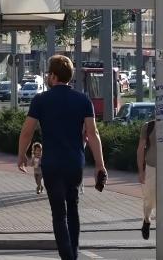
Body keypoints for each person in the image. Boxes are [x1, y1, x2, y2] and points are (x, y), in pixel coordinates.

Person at [18, 55, 107, 260]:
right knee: (73, 208)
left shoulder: (41, 100)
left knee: (59, 214)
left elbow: (27, 132)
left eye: (49, 74)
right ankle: (73, 255)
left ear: (53, 76)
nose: (47, 77)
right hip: (74, 163)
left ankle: (67, 257)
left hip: (52, 164)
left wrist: (22, 154)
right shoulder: (83, 100)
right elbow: (93, 133)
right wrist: (100, 165)